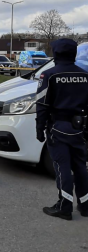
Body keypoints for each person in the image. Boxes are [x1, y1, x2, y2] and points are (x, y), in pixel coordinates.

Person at [36, 39, 88, 220]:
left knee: (62, 166)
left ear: (56, 53)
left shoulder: (49, 75)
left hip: (58, 127)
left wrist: (39, 128)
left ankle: (64, 206)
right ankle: (85, 204)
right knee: (81, 166)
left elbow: (42, 104)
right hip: (79, 128)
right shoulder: (84, 75)